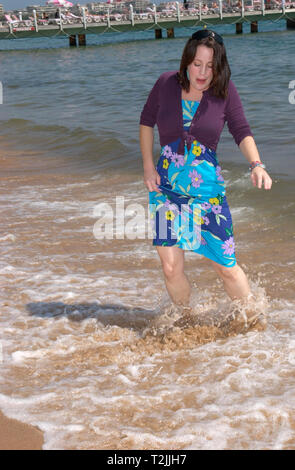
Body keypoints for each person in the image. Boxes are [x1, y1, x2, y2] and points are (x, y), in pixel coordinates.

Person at [139, 29, 272, 322]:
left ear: (219, 66)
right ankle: (187, 320)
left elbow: (241, 131)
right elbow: (146, 121)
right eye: (197, 63)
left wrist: (256, 164)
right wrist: (148, 167)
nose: (202, 72)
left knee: (224, 265)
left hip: (207, 192)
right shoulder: (165, 84)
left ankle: (252, 317)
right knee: (170, 266)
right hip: (165, 187)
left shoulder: (225, 92)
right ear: (187, 61)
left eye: (210, 66)